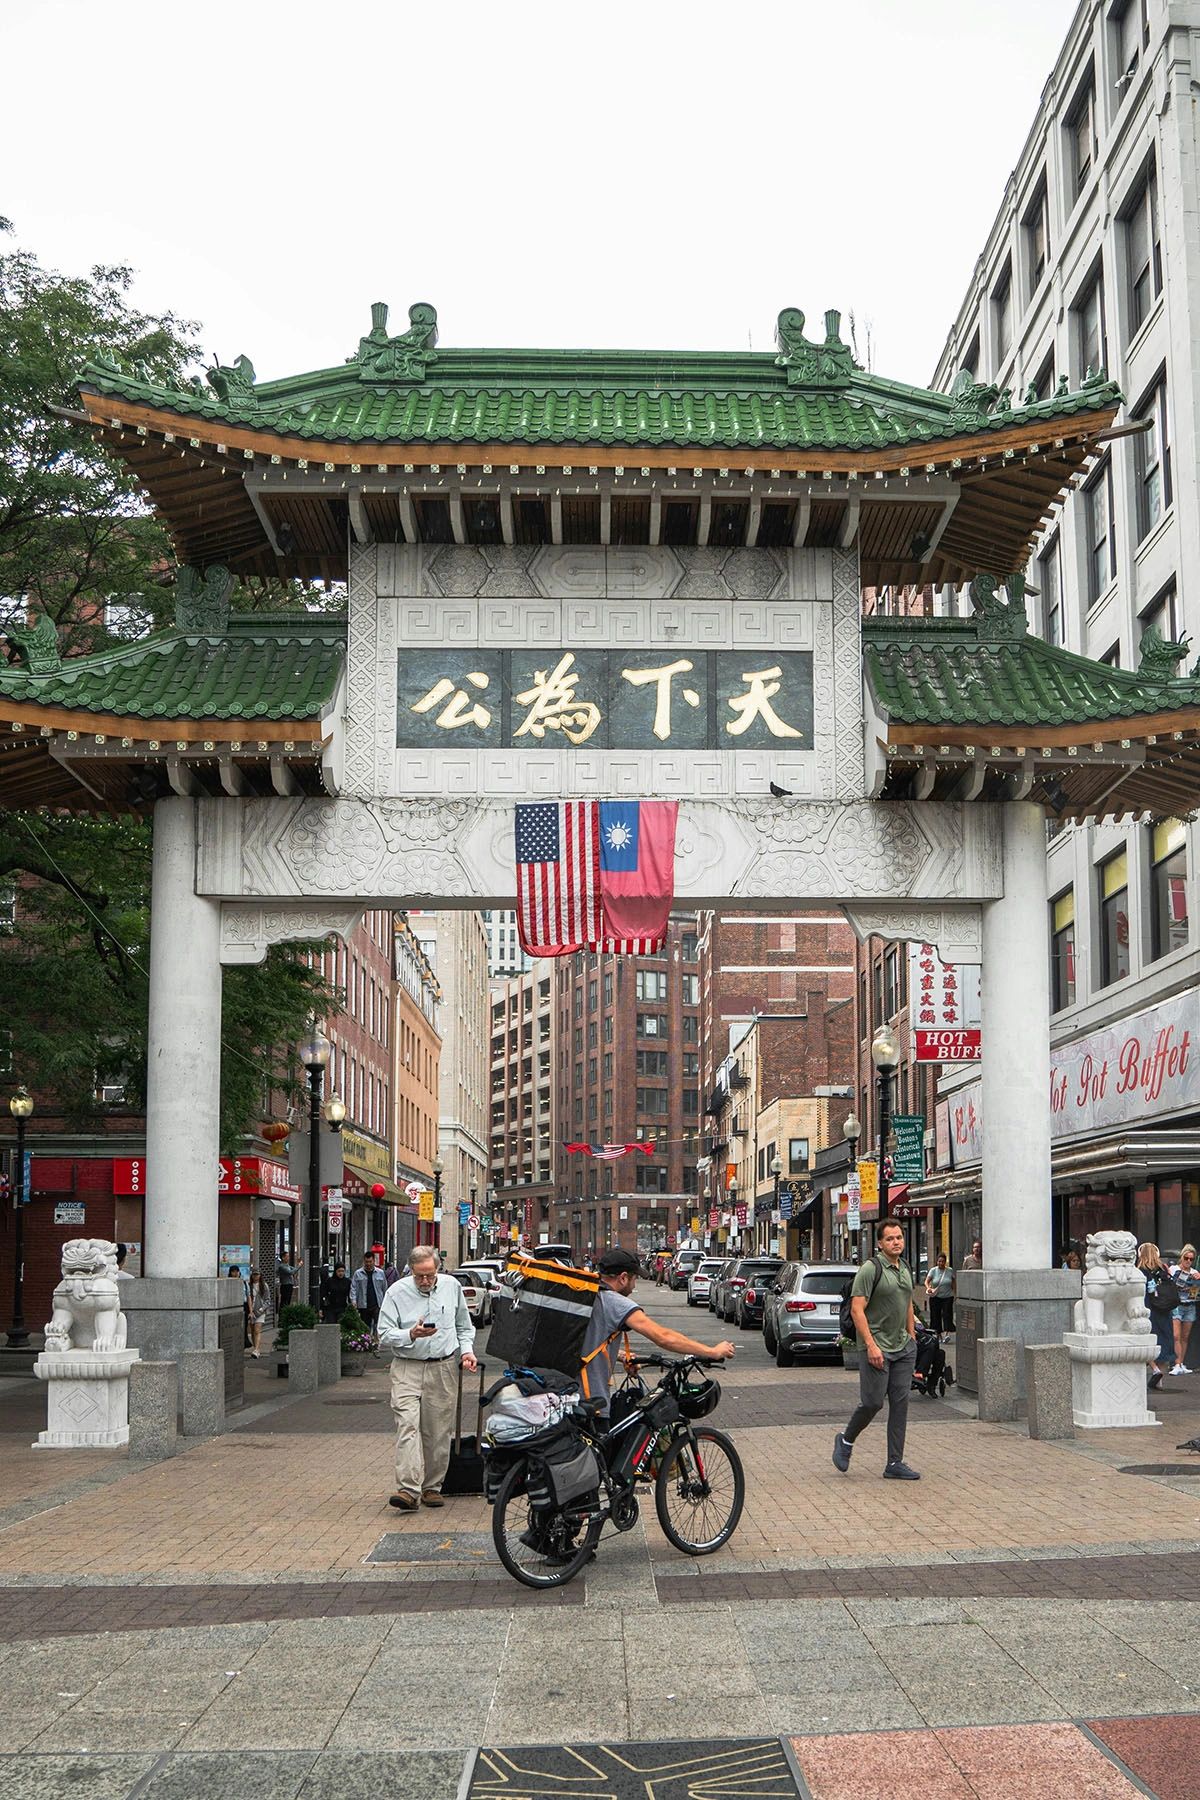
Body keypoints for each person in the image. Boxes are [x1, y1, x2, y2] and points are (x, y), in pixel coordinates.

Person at [578, 1246, 735, 1418]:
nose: (634, 1285)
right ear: (623, 1278)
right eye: (634, 1279)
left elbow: (586, 1340)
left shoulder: (586, 1295)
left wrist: (621, 1355)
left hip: (568, 1399)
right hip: (592, 1403)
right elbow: (663, 1337)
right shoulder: (615, 1302)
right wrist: (712, 1351)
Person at [377, 1243, 476, 1510]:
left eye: (430, 1275)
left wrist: (467, 1352)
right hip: (407, 1366)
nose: (425, 1281)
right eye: (419, 1275)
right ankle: (408, 1489)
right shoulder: (396, 1292)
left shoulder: (451, 1287)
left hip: (443, 1366)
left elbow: (463, 1327)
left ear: (438, 1269)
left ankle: (432, 1487)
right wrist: (410, 1334)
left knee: (437, 1431)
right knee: (407, 1426)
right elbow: (384, 1333)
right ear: (411, 1271)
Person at [833, 1219, 919, 1481]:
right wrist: (870, 1345)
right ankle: (846, 1441)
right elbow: (858, 1309)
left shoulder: (904, 1267)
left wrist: (912, 1337)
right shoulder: (870, 1270)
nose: (896, 1242)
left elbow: (907, 1304)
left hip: (903, 1347)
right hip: (876, 1346)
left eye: (899, 1237)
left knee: (901, 1403)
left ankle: (895, 1462)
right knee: (872, 1403)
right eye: (890, 1238)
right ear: (880, 1243)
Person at [1138, 1242, 1176, 1390]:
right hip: (1164, 1309)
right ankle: (1160, 1380)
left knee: (1146, 1339)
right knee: (1163, 1342)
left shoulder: (1140, 1271)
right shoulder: (1163, 1269)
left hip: (1148, 1308)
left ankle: (1155, 1369)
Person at [1169, 1244, 1200, 1375]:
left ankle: (1181, 1363)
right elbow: (1173, 1285)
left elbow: (1195, 1292)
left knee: (1185, 1336)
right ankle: (1176, 1364)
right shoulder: (1173, 1269)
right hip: (1176, 1305)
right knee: (1176, 1335)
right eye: (1186, 1258)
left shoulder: (1194, 1272)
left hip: (1190, 1305)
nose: (1188, 1261)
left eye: (1191, 1259)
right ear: (1181, 1257)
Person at [350, 1252, 388, 1332]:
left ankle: (376, 1341)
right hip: (363, 1304)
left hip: (377, 1304)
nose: (368, 1264)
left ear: (374, 1261)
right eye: (366, 1262)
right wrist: (353, 1301)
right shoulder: (358, 1273)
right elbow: (353, 1288)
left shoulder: (380, 1273)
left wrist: (386, 1302)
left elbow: (385, 1288)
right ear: (364, 1261)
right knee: (365, 1326)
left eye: (370, 1262)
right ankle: (367, 1341)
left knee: (378, 1325)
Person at [924, 1253, 954, 1339]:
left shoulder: (949, 1270)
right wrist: (928, 1287)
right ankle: (938, 1334)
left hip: (947, 1296)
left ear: (945, 1262)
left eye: (943, 1261)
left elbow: (953, 1281)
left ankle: (946, 1333)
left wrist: (955, 1293)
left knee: (947, 1314)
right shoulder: (933, 1270)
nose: (941, 1263)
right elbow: (926, 1281)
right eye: (939, 1261)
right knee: (935, 1315)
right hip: (935, 1297)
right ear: (937, 1261)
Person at [246, 1270, 270, 1357]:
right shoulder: (249, 1285)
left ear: (260, 1275)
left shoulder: (264, 1286)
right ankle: (255, 1348)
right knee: (252, 1330)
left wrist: (261, 1309)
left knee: (257, 1330)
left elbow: (268, 1300)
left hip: (260, 1311)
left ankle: (256, 1349)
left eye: (257, 1275)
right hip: (251, 1311)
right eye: (254, 1275)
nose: (255, 1276)